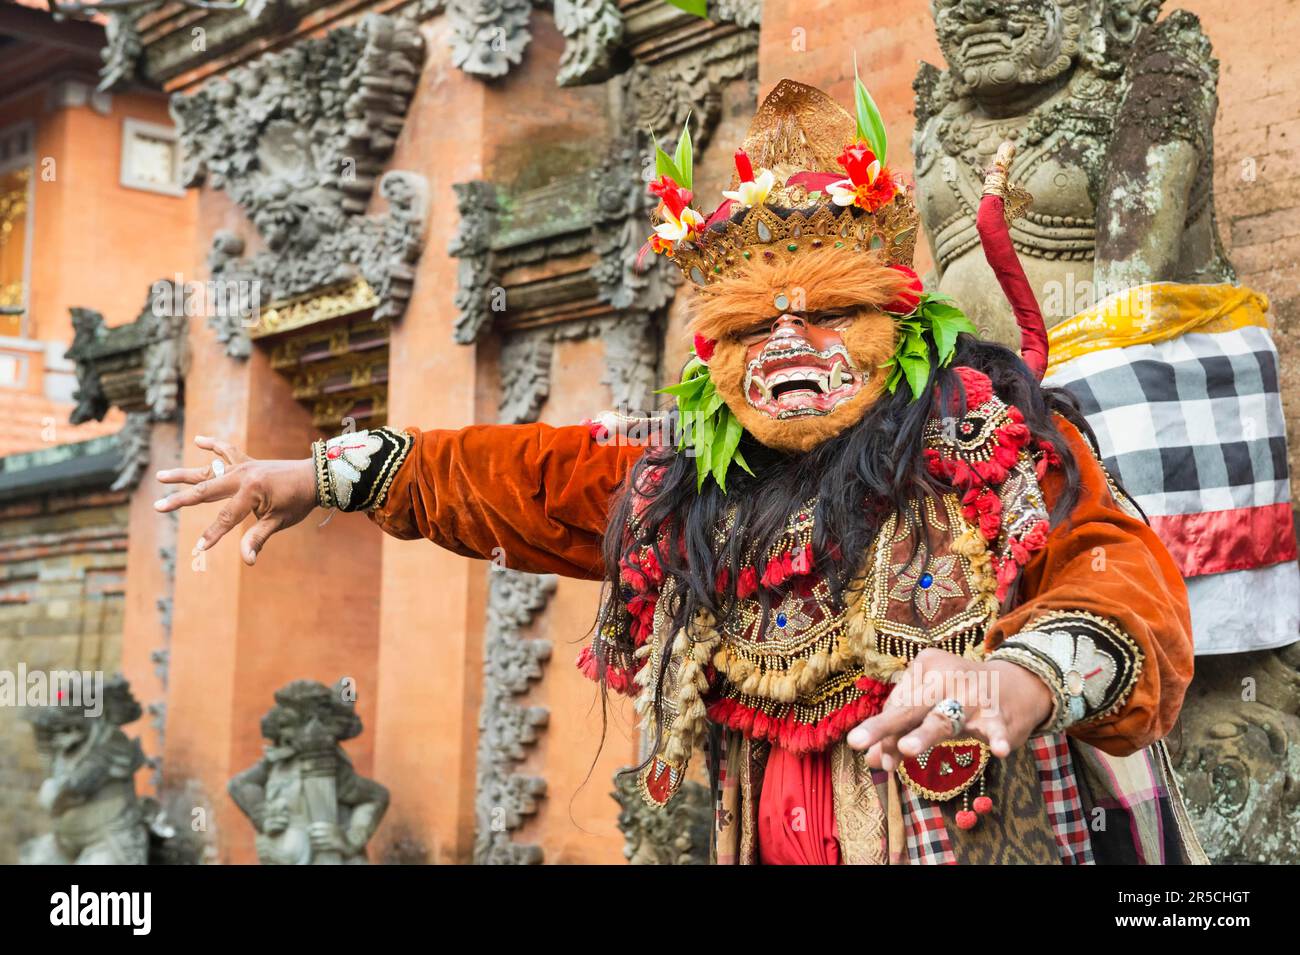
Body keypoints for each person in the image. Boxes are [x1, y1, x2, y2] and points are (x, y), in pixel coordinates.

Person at [156, 79, 1203, 865]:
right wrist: (322, 475)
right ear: (714, 352)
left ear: (894, 319)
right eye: (751, 326)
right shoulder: (681, 482)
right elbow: (509, 475)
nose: (789, 345)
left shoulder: (991, 440)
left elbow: (1123, 580)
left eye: (829, 312)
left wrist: (1021, 676)